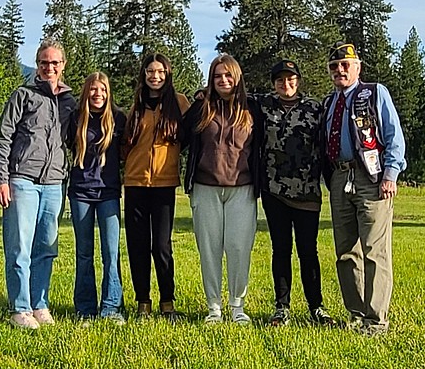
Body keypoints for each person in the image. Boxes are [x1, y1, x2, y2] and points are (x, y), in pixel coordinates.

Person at [320, 42, 406, 335]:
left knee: (374, 251)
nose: (340, 70)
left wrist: (391, 174)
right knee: (346, 251)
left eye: (345, 65)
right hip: (339, 178)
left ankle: (376, 319)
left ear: (357, 67)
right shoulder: (329, 103)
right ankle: (356, 314)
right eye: (334, 66)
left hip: (372, 178)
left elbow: (394, 135)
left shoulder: (374, 93)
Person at [0, 39, 78, 329]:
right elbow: (3, 138)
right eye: (44, 62)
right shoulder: (23, 95)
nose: (49, 67)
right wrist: (1, 179)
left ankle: (40, 304)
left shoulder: (69, 102)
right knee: (19, 247)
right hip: (22, 180)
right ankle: (20, 308)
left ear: (63, 65)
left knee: (46, 247)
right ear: (37, 64)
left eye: (54, 62)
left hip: (55, 183)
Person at [183, 54, 261, 325]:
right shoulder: (201, 108)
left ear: (237, 77)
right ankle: (213, 307)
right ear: (211, 80)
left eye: (228, 75)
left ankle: (238, 306)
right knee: (209, 249)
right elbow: (177, 135)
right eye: (218, 76)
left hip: (243, 188)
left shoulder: (253, 109)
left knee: (239, 248)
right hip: (206, 188)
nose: (223, 80)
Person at [258, 60, 336, 328]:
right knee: (280, 250)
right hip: (274, 191)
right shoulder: (263, 106)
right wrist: (201, 94)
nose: (285, 84)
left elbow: (328, 144)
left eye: (290, 79)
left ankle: (316, 307)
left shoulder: (315, 108)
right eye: (280, 80)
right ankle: (282, 308)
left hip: (307, 193)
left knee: (308, 251)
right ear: (273, 83)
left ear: (298, 81)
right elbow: (233, 95)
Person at [122, 52, 190, 322]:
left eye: (160, 71)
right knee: (137, 245)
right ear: (144, 75)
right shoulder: (137, 105)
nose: (155, 76)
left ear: (168, 73)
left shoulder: (180, 103)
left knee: (161, 246)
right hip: (135, 182)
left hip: (164, 183)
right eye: (150, 71)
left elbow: (196, 127)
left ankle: (167, 302)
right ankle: (142, 303)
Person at [67, 71, 127, 323]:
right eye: (93, 89)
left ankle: (112, 307)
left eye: (102, 89)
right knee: (84, 253)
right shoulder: (75, 119)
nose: (97, 94)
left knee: (110, 252)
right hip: (80, 191)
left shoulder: (119, 118)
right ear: (86, 92)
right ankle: (85, 308)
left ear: (108, 93)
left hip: (109, 193)